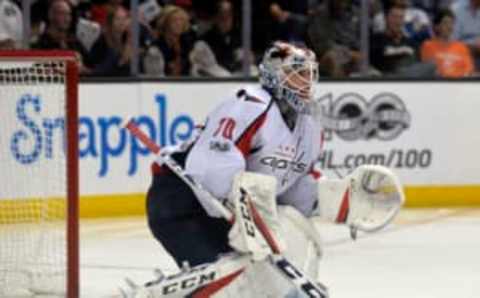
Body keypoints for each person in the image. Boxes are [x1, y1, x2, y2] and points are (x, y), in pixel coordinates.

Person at [128, 41, 404, 297]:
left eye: (310, 74)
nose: (306, 83)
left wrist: (333, 198)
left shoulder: (309, 125)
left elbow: (293, 188)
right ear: (274, 75)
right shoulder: (250, 104)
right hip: (181, 201)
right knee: (235, 285)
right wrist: (249, 213)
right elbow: (209, 167)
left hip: (233, 213)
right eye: (297, 74)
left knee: (267, 276)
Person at [370, 3, 436, 77]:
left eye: (401, 17)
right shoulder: (375, 41)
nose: (397, 21)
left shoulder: (412, 44)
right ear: (386, 18)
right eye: (394, 17)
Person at [421, 9, 475, 77]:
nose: (449, 26)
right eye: (445, 23)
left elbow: (469, 70)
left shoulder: (462, 47)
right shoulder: (428, 46)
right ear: (436, 26)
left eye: (451, 23)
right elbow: (428, 70)